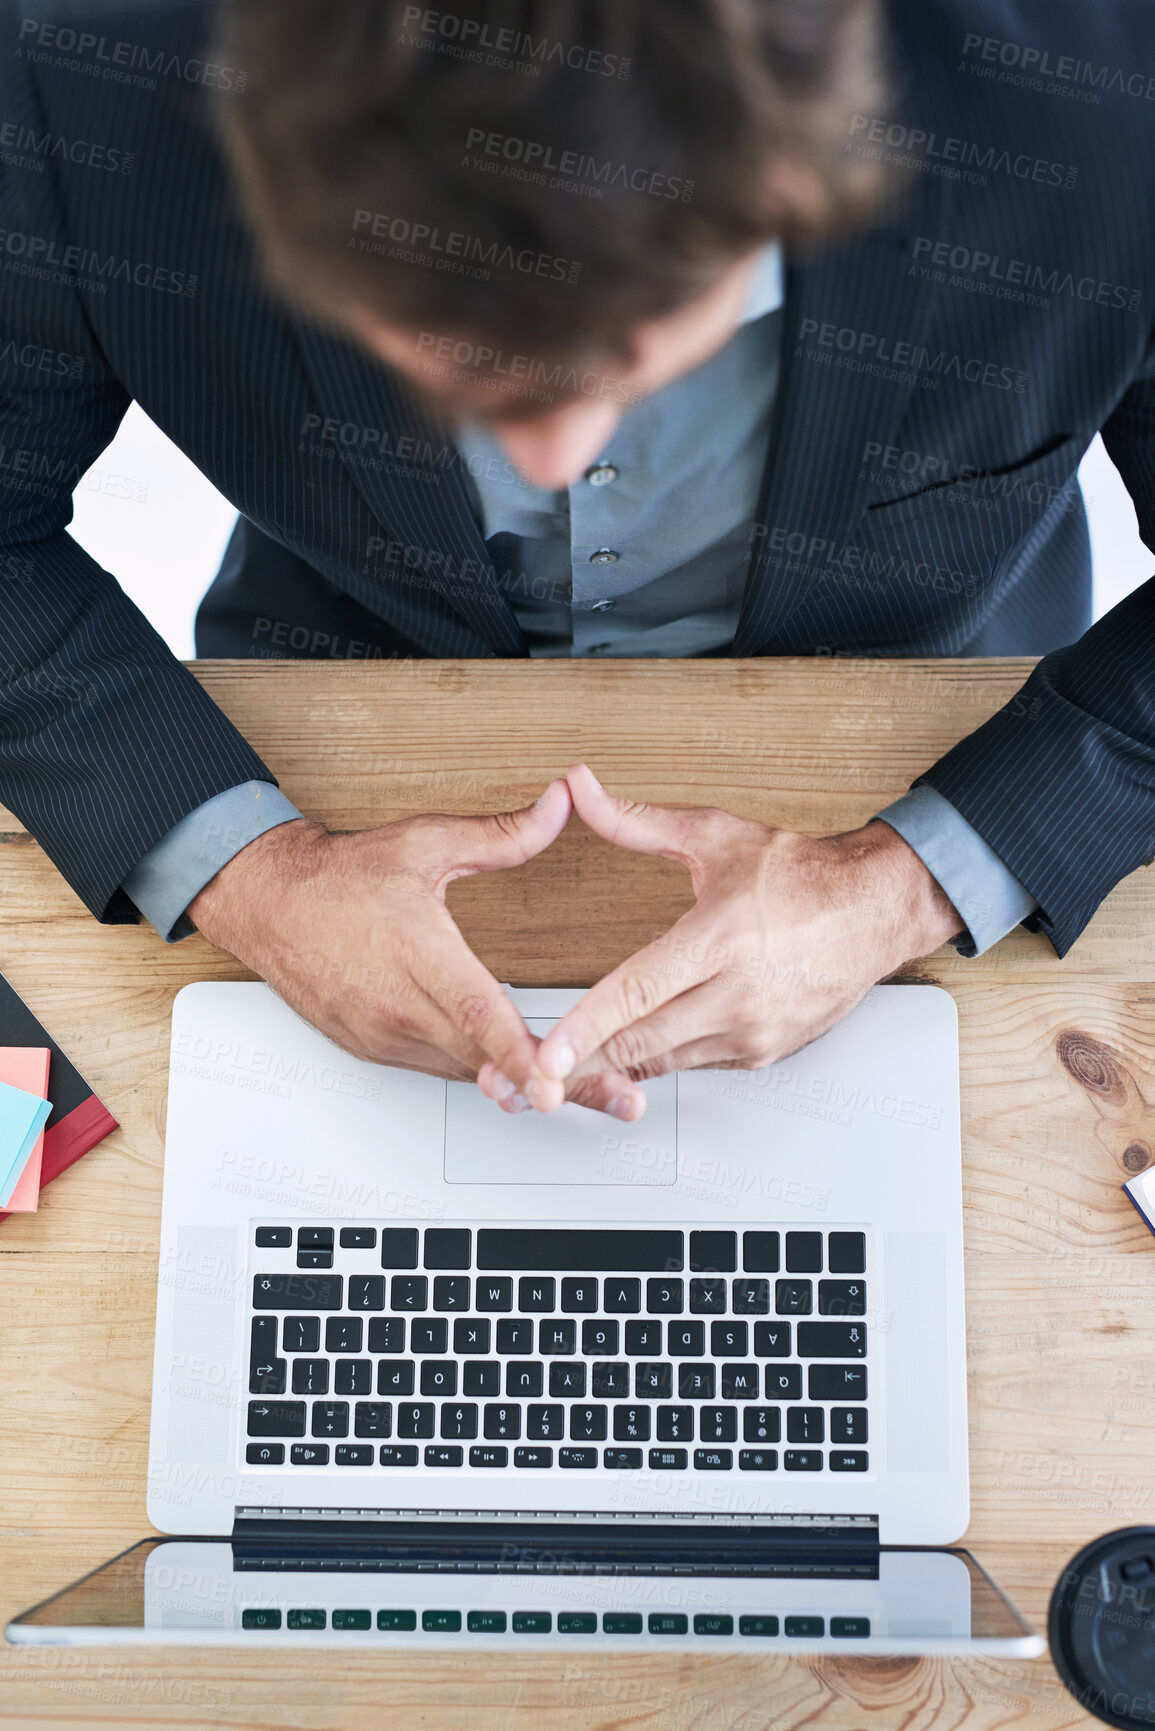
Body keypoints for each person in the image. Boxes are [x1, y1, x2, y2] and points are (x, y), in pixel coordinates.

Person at [1, 0, 1152, 1123]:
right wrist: (252, 876)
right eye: (458, 365)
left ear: (793, 174)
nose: (549, 457)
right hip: (338, 715)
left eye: (625, 350)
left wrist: (913, 883)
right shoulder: (84, 57)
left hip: (941, 734)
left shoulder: (1109, 89)